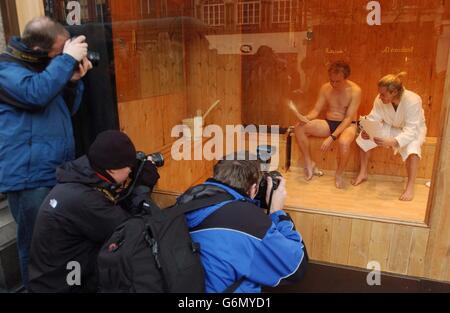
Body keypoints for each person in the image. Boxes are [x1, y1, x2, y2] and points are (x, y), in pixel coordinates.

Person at [0, 16, 92, 288]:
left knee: (56, 242)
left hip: (54, 171)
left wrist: (72, 81)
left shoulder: (44, 67)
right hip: (29, 178)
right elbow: (35, 94)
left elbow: (67, 110)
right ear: (40, 49)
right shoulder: (7, 70)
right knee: (34, 246)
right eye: (61, 50)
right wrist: (65, 61)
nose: (66, 55)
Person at [28, 130, 160, 293]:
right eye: (129, 167)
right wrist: (142, 188)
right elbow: (134, 233)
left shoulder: (78, 179)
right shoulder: (85, 200)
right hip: (66, 286)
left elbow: (111, 211)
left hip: (54, 278)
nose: (130, 171)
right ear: (111, 170)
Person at [177, 152, 308, 293]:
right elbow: (296, 267)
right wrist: (277, 213)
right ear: (253, 188)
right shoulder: (248, 222)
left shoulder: (186, 201)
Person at [352, 73, 426, 201]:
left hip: (412, 130)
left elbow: (411, 130)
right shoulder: (380, 98)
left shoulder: (413, 100)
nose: (379, 97)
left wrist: (393, 141)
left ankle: (410, 186)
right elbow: (374, 117)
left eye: (383, 94)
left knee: (413, 150)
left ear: (394, 92)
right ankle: (363, 172)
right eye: (379, 93)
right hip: (390, 126)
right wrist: (366, 129)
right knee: (363, 139)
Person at [294, 61, 361, 188]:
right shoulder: (326, 88)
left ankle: (339, 174)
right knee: (299, 128)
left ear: (345, 78)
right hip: (329, 122)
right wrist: (305, 118)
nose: (334, 84)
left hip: (348, 125)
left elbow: (348, 118)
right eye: (332, 81)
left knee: (344, 142)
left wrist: (332, 137)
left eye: (338, 81)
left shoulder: (355, 91)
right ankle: (309, 163)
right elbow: (316, 110)